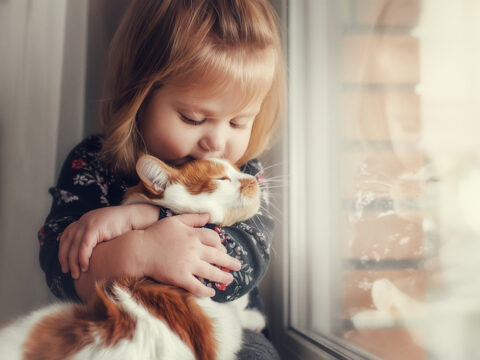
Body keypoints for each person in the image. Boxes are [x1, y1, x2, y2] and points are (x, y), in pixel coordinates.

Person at [38, 0, 285, 358]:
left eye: (238, 122)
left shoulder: (242, 173)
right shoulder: (93, 163)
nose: (216, 143)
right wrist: (139, 253)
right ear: (139, 96)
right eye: (193, 118)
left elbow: (243, 264)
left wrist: (147, 217)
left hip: (223, 329)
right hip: (123, 326)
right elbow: (59, 269)